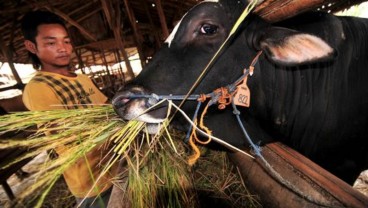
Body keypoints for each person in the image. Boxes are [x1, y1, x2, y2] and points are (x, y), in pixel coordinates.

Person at [21, 10, 118, 207]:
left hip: (117, 167)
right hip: (91, 182)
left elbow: (108, 107)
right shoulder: (38, 88)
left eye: (66, 41)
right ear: (31, 46)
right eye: (51, 43)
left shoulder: (82, 79)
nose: (63, 48)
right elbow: (65, 135)